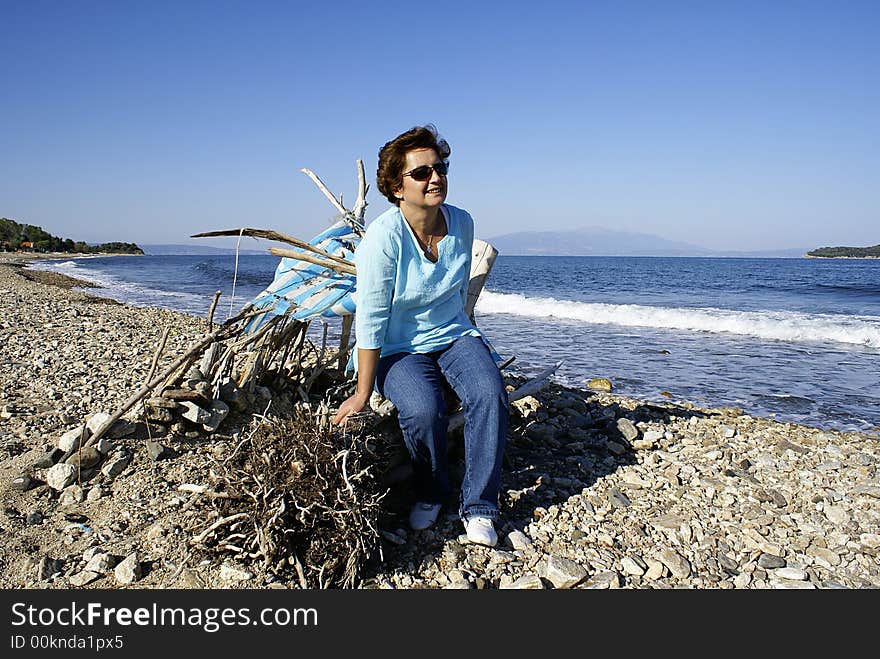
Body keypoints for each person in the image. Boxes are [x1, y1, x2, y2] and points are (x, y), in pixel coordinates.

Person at [332, 125, 509, 547]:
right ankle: (431, 492)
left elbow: (449, 291)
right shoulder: (382, 238)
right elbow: (371, 318)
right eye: (421, 172)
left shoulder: (461, 223)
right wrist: (361, 392)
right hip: (396, 345)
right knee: (424, 410)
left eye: (440, 168)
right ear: (396, 187)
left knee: (490, 393)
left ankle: (481, 506)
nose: (435, 178)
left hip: (452, 334)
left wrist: (463, 351)